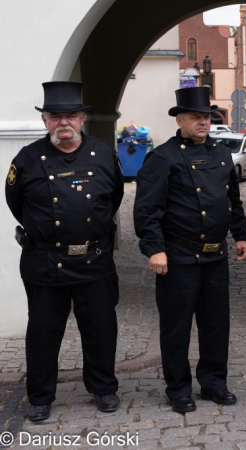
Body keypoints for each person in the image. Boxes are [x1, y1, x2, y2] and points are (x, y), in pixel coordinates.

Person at [5, 81, 124, 422]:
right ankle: (41, 396)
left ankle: (103, 388)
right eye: (55, 116)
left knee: (100, 328)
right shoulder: (27, 159)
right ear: (45, 121)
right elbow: (15, 202)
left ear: (82, 119)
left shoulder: (103, 154)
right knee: (43, 332)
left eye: (71, 115)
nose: (64, 123)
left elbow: (113, 197)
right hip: (44, 263)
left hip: (94, 260)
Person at [134, 87, 246, 414]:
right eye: (196, 117)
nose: (203, 122)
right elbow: (147, 209)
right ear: (180, 119)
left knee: (216, 324)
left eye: (206, 117)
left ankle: (214, 382)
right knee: (177, 325)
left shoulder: (221, 153)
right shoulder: (163, 158)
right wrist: (154, 249)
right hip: (179, 255)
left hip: (216, 255)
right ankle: (178, 388)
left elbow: (232, 200)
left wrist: (240, 234)